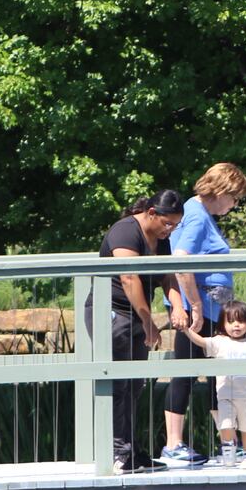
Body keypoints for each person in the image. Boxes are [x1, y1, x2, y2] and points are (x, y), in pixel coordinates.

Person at [85, 190, 191, 474]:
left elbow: (168, 275)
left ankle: (130, 449)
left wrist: (178, 306)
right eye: (167, 224)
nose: (170, 230)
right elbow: (129, 278)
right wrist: (148, 322)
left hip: (135, 316)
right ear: (152, 214)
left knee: (135, 385)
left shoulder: (162, 240)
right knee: (117, 384)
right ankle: (116, 454)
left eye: (175, 226)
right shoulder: (125, 231)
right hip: (111, 313)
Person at [159, 162, 246, 467]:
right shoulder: (197, 216)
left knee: (217, 377)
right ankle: (173, 445)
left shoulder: (198, 213)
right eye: (235, 198)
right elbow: (181, 260)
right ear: (222, 190)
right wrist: (193, 306)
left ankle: (229, 445)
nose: (235, 205)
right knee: (186, 374)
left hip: (210, 309)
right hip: (199, 313)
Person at [181, 299, 246, 467]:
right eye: (231, 321)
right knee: (225, 424)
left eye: (241, 321)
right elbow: (203, 342)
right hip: (225, 393)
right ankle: (229, 452)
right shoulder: (219, 341)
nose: (236, 325)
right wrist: (186, 331)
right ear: (223, 324)